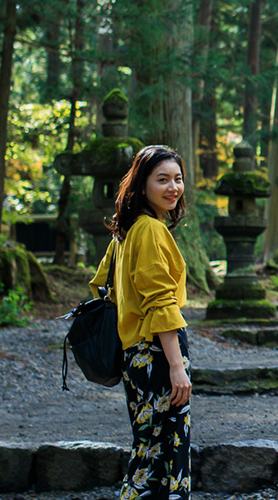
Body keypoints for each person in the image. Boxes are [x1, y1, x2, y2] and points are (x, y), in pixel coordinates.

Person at [90, 145, 192, 500]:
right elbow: (160, 303)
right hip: (158, 353)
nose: (173, 188)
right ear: (142, 185)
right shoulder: (149, 230)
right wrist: (177, 366)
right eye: (162, 179)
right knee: (164, 454)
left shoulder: (126, 231)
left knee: (148, 451)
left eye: (178, 179)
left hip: (136, 353)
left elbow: (102, 286)